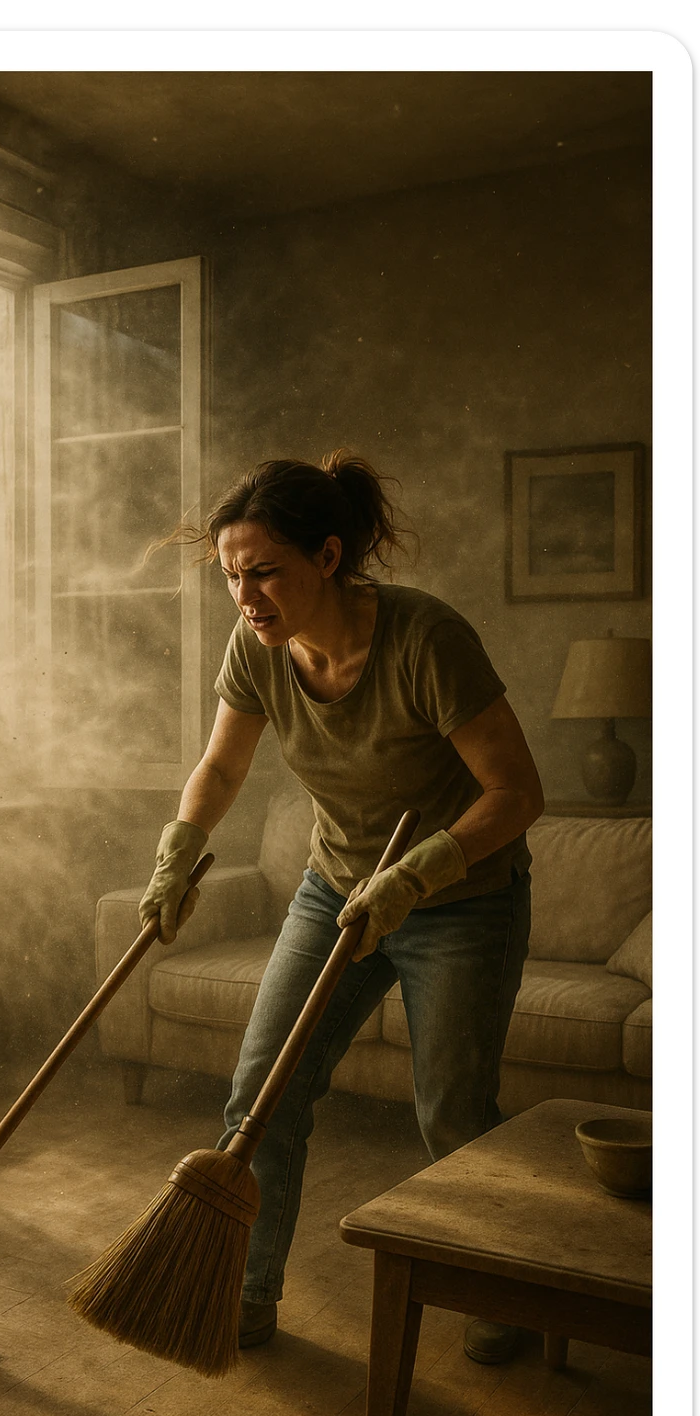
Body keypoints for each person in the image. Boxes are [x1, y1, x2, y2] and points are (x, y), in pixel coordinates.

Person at [138, 450, 545, 1366]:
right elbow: (223, 766)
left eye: (265, 571)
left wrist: (415, 879)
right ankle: (241, 1296)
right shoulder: (260, 645)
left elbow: (517, 794)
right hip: (338, 886)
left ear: (328, 557)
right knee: (261, 1097)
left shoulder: (425, 638)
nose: (246, 596)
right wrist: (176, 856)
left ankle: (501, 1293)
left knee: (450, 1112)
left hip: (460, 897)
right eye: (233, 576)